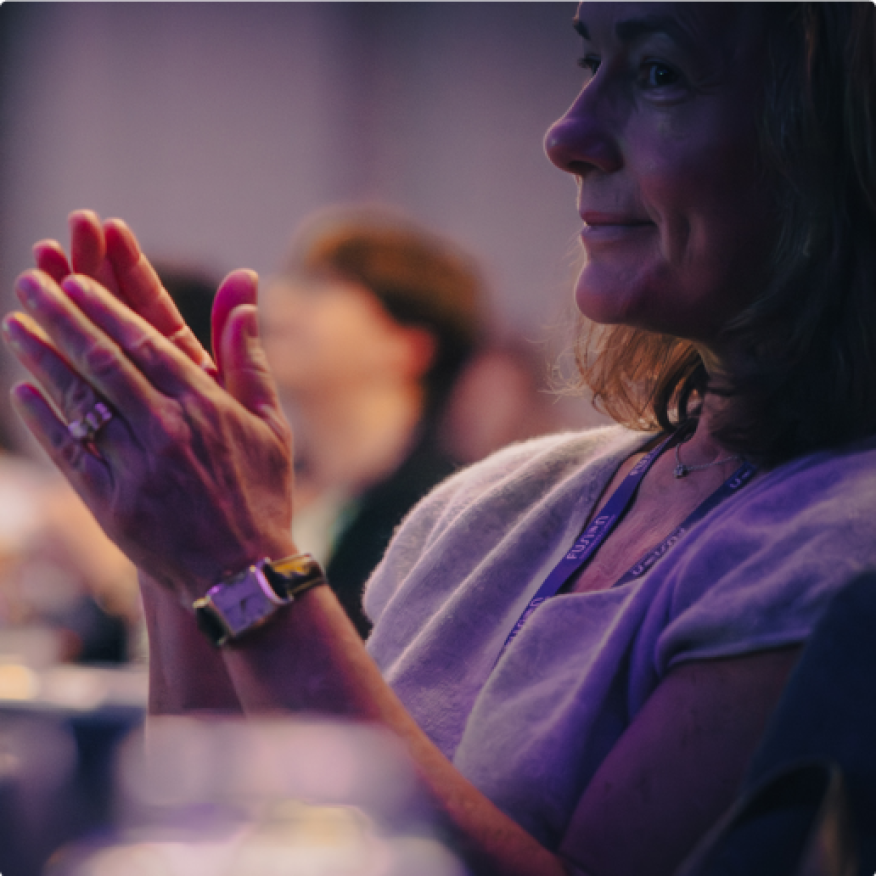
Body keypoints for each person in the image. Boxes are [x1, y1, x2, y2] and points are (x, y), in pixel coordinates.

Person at [4, 0, 876, 873]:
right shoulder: (494, 500)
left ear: (835, 144)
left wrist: (244, 564)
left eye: (659, 73)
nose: (566, 135)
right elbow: (237, 826)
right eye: (590, 64)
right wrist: (176, 544)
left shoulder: (843, 547)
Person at [261, 210, 484, 637]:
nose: (278, 299)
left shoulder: (442, 509)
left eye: (320, 286)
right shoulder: (273, 490)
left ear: (408, 345)